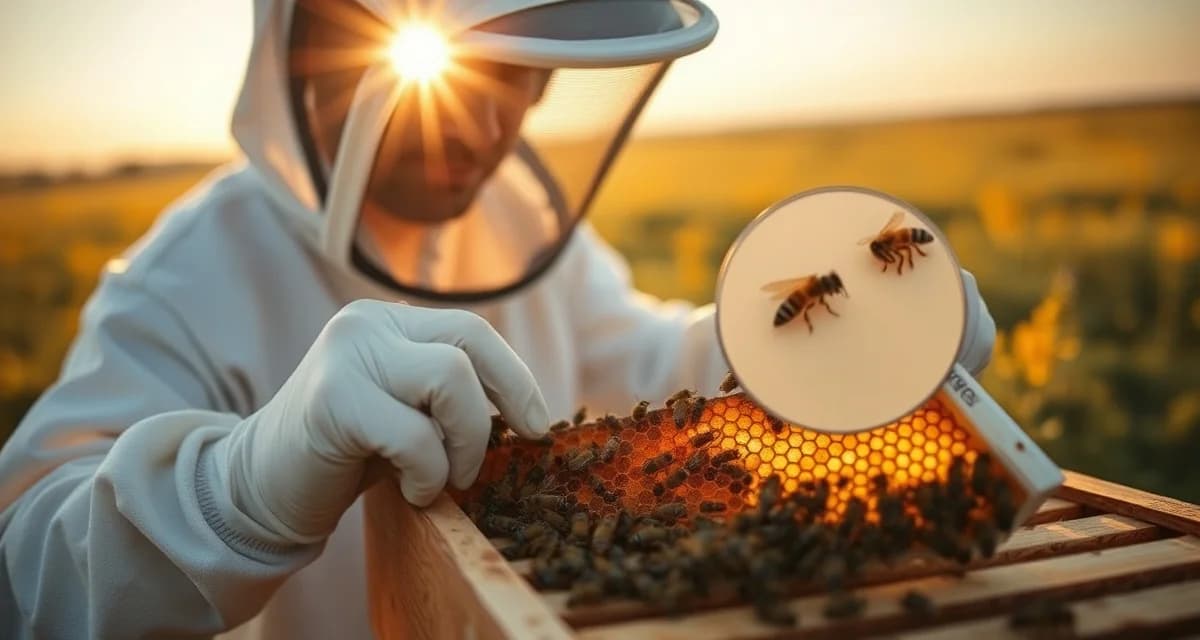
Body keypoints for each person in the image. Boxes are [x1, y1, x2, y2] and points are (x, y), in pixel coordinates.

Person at [0, 1, 996, 638]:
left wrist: (796, 343)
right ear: (318, 46)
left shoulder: (515, 218)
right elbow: (24, 580)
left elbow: (636, 364)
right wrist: (242, 484)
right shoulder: (184, 282)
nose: (486, 130)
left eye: (521, 74)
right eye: (460, 74)